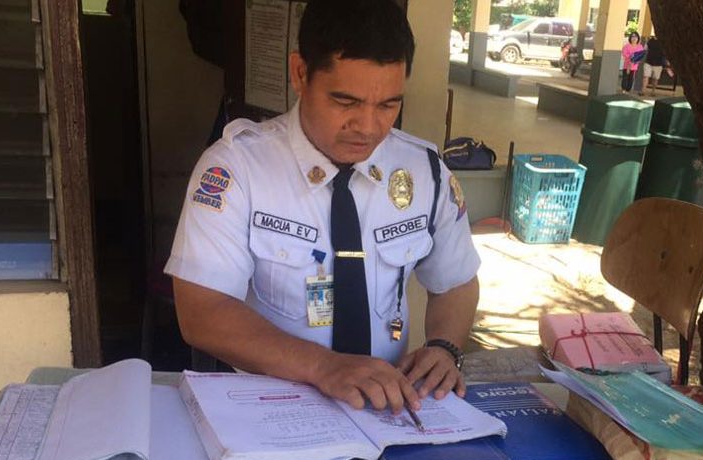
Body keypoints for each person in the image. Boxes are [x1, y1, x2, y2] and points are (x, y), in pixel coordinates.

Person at [165, 0, 481, 416]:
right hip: (273, 402)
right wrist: (324, 367)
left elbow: (456, 279)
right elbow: (201, 311)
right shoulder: (237, 168)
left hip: (389, 406)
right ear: (300, 73)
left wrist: (444, 345)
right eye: (346, 101)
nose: (368, 127)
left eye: (388, 104)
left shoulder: (424, 172)